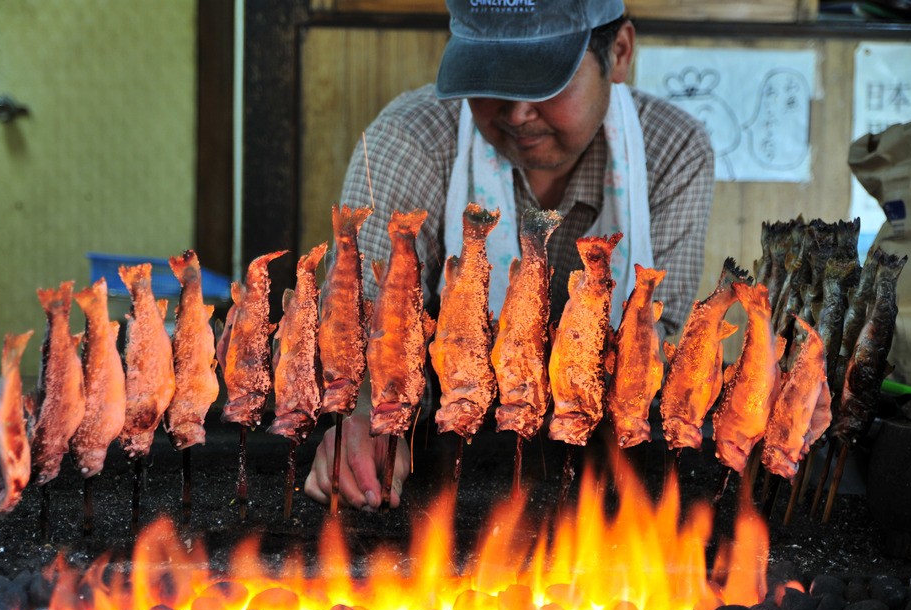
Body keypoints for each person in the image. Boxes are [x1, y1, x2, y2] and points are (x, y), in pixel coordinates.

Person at [304, 0, 714, 511]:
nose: (519, 112)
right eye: (492, 79)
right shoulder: (410, 138)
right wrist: (366, 418)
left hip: (599, 470)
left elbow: (657, 331)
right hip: (434, 459)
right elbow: (361, 316)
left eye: (547, 82)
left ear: (621, 52)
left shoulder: (671, 148)